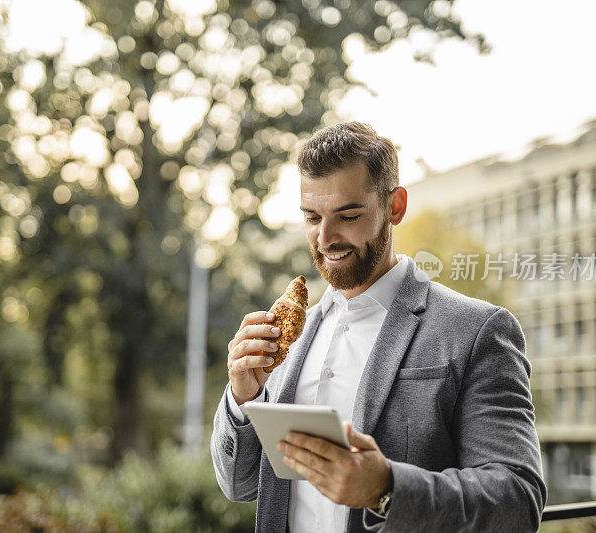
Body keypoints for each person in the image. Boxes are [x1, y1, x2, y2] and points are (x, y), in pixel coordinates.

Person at [210, 122, 547, 532]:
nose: (325, 238)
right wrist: (243, 399)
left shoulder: (477, 331)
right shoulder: (289, 341)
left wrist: (386, 489)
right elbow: (240, 485)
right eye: (312, 217)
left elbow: (517, 501)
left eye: (348, 215)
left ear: (395, 207)